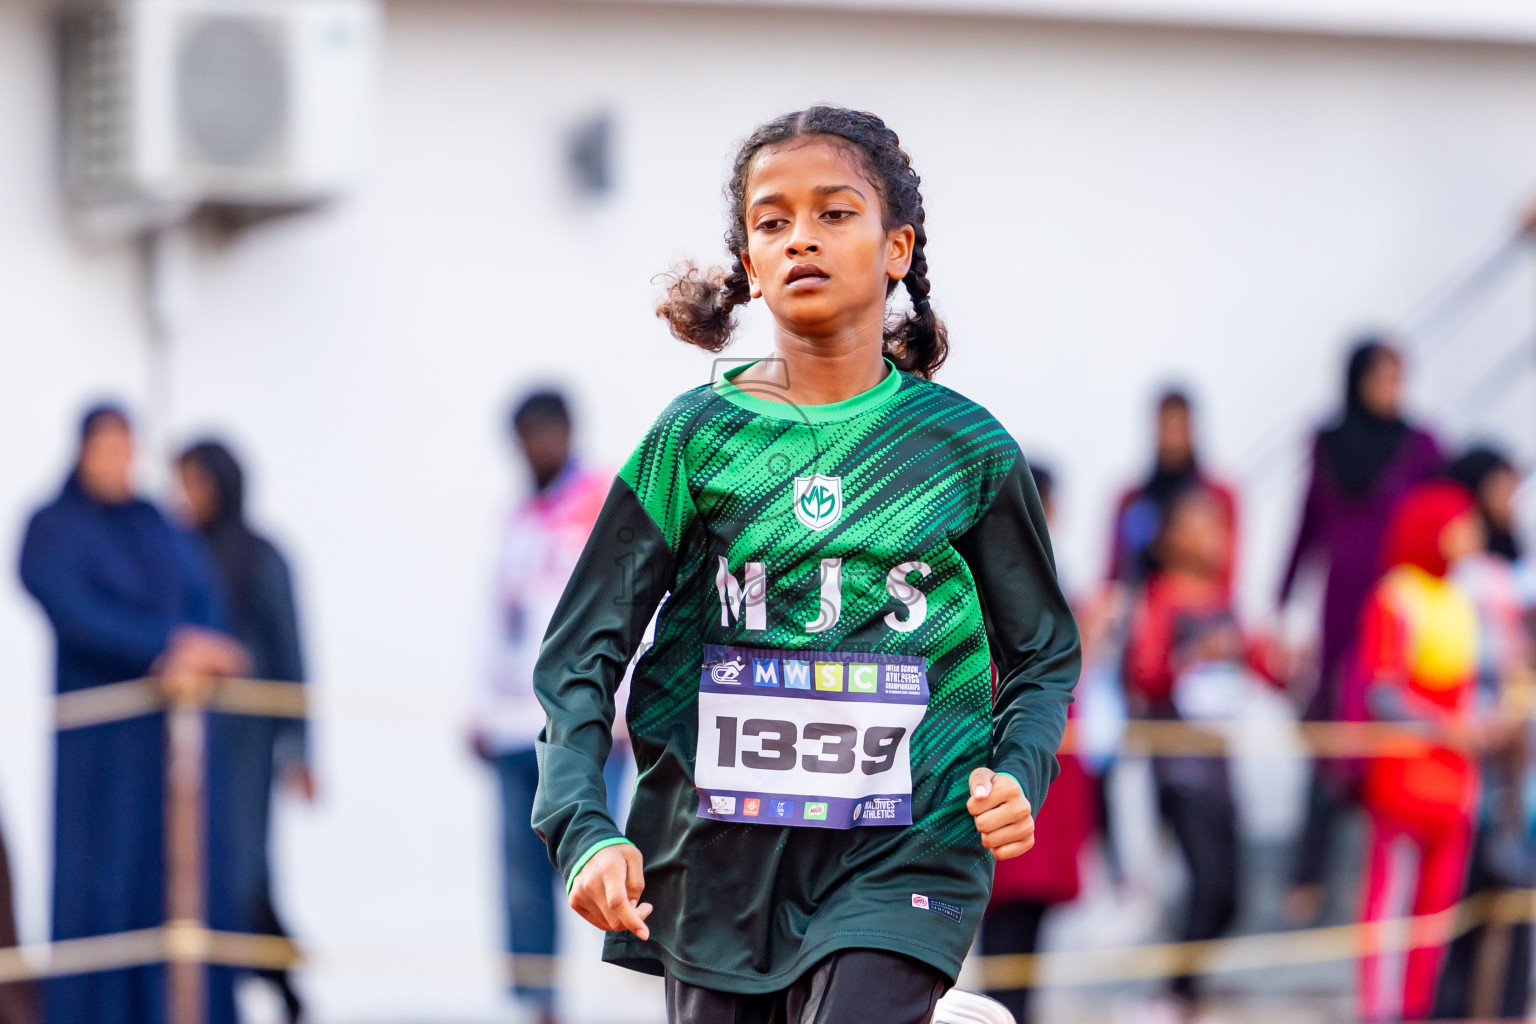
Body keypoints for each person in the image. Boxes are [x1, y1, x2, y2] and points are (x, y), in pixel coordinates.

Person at [531, 107, 1080, 1024]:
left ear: (896, 246)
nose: (801, 241)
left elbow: (1043, 653)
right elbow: (579, 653)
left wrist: (1018, 770)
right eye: (772, 222)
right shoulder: (692, 443)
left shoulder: (963, 448)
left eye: (834, 214)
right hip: (715, 863)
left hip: (907, 848)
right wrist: (583, 829)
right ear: (749, 263)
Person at [18, 405, 247, 1024]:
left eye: (127, 449)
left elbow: (203, 599)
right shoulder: (52, 527)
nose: (118, 463)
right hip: (98, 746)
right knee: (101, 883)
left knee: (177, 884)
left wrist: (199, 650)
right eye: (106, 449)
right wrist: (162, 647)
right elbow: (75, 611)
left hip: (167, 743)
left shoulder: (155, 525)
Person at [1279, 339, 1443, 918]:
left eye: (1399, 377)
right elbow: (1308, 524)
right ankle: (1309, 876)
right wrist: (1284, 602)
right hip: (1339, 610)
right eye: (1382, 376)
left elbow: (1438, 521)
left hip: (1399, 613)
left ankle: (1380, 864)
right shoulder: (1329, 443)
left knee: (1386, 724)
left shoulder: (1422, 446)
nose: (1392, 388)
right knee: (1331, 732)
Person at [468, 391, 613, 1024]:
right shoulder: (516, 518)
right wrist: (477, 705)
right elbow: (494, 618)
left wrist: (630, 707)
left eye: (540, 435)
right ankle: (538, 1005)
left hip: (583, 725)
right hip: (510, 725)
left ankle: (662, 982)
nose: (533, 450)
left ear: (564, 432)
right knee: (522, 877)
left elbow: (627, 609)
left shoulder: (603, 502)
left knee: (598, 859)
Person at [1123, 486, 1284, 1015]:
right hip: (1178, 768)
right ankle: (1176, 992)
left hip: (1220, 766)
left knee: (1232, 892)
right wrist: (1192, 654)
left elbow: (1263, 667)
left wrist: (1274, 658)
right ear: (1172, 538)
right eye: (1202, 526)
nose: (1215, 537)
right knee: (1207, 882)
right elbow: (1143, 674)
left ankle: (1186, 986)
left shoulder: (1223, 600)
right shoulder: (1162, 597)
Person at [1354, 481, 1503, 1022]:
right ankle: (1380, 1009)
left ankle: (1418, 1007)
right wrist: (1448, 727)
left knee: (1436, 911)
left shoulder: (1463, 601)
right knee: (1391, 904)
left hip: (1456, 781)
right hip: (1405, 779)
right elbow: (1382, 691)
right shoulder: (1397, 595)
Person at [175, 440, 312, 1024]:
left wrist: (300, 750)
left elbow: (290, 655)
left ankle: (281, 982)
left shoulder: (261, 556)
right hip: (190, 742)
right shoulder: (178, 553)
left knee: (244, 868)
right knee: (200, 869)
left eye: (194, 483)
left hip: (248, 741)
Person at [981, 465, 1096, 1024]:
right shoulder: (988, 585)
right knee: (1002, 939)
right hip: (1001, 778)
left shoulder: (1055, 587)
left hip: (1042, 782)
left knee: (1025, 938)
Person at [1433, 447, 1534, 1020]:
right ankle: (1451, 1007)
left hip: (1523, 754)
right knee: (1470, 890)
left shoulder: (1515, 568)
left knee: (1518, 893)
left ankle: (1507, 1006)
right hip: (1477, 751)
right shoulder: (1464, 578)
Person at [1105, 389, 1238, 596]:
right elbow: (1114, 571)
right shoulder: (1131, 499)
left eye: (1179, 428)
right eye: (1166, 427)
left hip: (1198, 614)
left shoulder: (1219, 497)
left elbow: (1226, 573)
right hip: (1139, 610)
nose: (1172, 438)